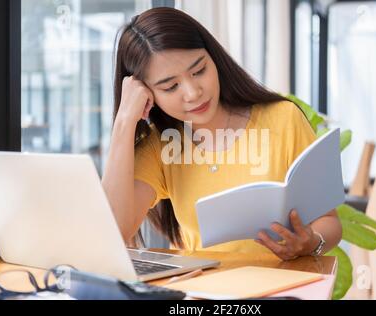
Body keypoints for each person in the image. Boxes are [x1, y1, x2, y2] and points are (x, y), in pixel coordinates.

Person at [102, 7, 342, 261]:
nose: (193, 92)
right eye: (171, 86)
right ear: (148, 94)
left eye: (199, 71)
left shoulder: (283, 118)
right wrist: (124, 121)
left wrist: (311, 242)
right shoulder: (160, 144)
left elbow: (330, 222)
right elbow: (114, 231)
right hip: (202, 291)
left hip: (280, 288)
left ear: (214, 58)